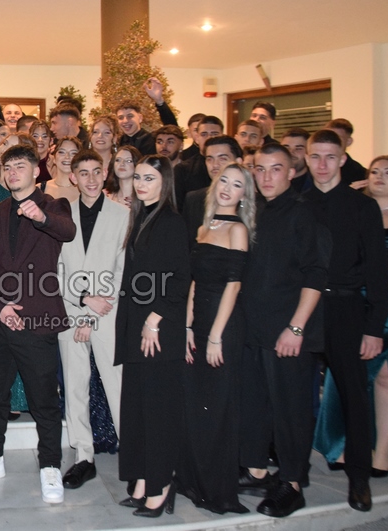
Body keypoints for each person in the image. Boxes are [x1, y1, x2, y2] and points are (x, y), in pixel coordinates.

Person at [0, 144, 75, 505]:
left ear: (36, 171)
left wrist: (40, 217)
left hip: (37, 320)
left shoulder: (54, 206)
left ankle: (50, 465)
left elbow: (67, 231)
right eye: (7, 168)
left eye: (20, 166)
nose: (12, 173)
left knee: (44, 400)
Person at [315, 156, 388, 475]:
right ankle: (342, 446)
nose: (380, 176)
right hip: (355, 301)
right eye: (374, 171)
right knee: (346, 375)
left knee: (385, 377)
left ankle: (383, 454)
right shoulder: (355, 209)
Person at [238, 143, 329, 518]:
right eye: (259, 169)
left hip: (287, 332)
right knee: (256, 405)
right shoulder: (255, 210)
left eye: (275, 169)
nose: (266, 177)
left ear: (292, 172)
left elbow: (316, 274)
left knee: (290, 410)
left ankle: (292, 483)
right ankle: (258, 470)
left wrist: (296, 327)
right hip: (254, 329)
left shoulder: (304, 213)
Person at [304, 129, 388, 512]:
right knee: (294, 394)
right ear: (306, 159)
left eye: (329, 157)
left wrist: (374, 327)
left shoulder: (362, 207)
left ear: (342, 159)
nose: (322, 164)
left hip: (346, 310)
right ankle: (292, 473)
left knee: (355, 396)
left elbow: (378, 270)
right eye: (315, 156)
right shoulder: (298, 203)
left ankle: (359, 478)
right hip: (304, 310)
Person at [115, 155, 190, 518]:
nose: (141, 184)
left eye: (149, 178)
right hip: (137, 329)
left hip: (158, 332)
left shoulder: (171, 222)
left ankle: (161, 486)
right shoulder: (141, 216)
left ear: (165, 183)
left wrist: (154, 320)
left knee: (158, 413)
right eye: (138, 177)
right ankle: (143, 480)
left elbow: (180, 278)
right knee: (138, 411)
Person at [177, 163, 255, 515]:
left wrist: (215, 336)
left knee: (219, 409)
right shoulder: (204, 227)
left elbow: (233, 286)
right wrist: (188, 328)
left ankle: (218, 490)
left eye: (236, 184)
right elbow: (194, 282)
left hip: (224, 327)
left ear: (244, 194)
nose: (227, 188)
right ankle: (192, 481)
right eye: (224, 180)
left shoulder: (238, 230)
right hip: (199, 325)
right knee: (195, 406)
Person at [57, 148, 129, 489]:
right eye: (83, 173)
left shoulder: (123, 215)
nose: (90, 179)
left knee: (117, 384)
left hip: (107, 312)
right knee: (74, 386)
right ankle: (83, 456)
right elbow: (53, 271)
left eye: (96, 171)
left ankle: (134, 453)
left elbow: (123, 269)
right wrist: (84, 303)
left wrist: (95, 309)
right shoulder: (61, 216)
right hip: (72, 310)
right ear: (73, 177)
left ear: (104, 173)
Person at [180, 136, 244, 244]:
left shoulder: (256, 203)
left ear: (238, 162)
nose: (215, 165)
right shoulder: (193, 199)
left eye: (222, 159)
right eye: (209, 159)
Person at [173, 116, 225, 208]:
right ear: (197, 138)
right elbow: (177, 207)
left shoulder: (230, 167)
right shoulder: (182, 170)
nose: (209, 138)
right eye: (204, 134)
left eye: (214, 134)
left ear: (223, 137)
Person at [325, 119, 368, 185]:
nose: (331, 142)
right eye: (328, 138)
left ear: (348, 142)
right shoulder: (313, 168)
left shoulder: (361, 174)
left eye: (338, 139)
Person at [39, 136, 81, 204]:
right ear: (54, 158)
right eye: (62, 152)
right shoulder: (40, 189)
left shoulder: (86, 189)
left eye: (73, 153)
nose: (67, 157)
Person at [281, 128, 312, 193]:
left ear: (308, 152)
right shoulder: (269, 183)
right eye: (286, 148)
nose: (291, 152)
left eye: (298, 148)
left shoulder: (316, 186)